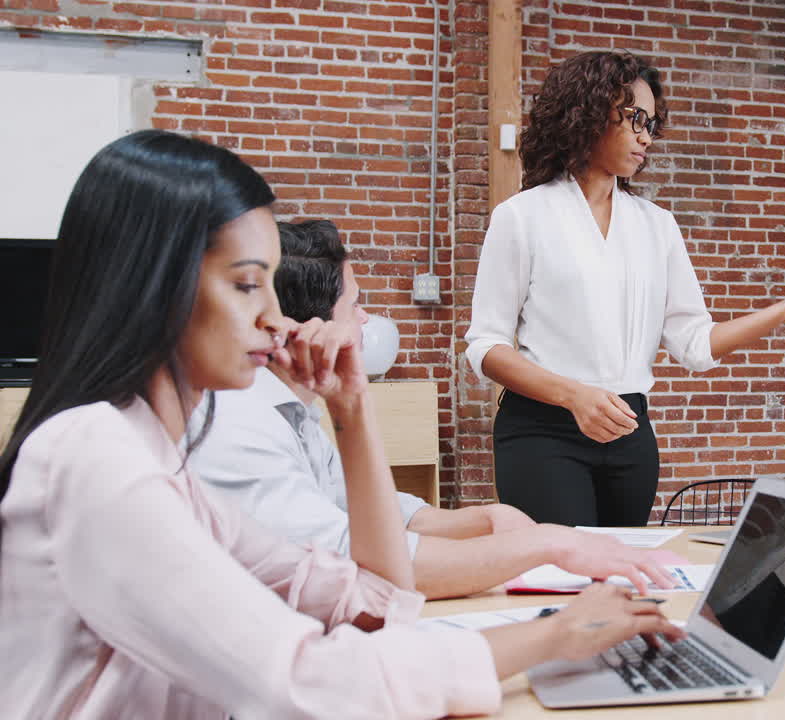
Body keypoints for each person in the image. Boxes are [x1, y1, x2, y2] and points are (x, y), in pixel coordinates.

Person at [0, 129, 681, 718]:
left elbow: (375, 600)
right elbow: (305, 683)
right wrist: (553, 636)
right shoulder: (97, 457)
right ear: (153, 283)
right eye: (245, 284)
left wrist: (354, 414)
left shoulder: (162, 454)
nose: (276, 317)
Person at [465, 50, 785, 526]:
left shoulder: (656, 226)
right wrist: (572, 395)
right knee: (561, 582)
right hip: (542, 433)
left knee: (621, 582)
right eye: (634, 118)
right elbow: (486, 345)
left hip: (631, 436)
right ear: (588, 112)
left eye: (652, 124)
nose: (645, 137)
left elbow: (696, 344)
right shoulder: (522, 217)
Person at [191, 218, 674, 598]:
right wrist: (551, 543)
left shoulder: (289, 414)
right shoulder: (238, 428)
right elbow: (364, 561)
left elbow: (376, 513)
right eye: (355, 307)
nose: (365, 321)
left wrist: (485, 519)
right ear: (303, 327)